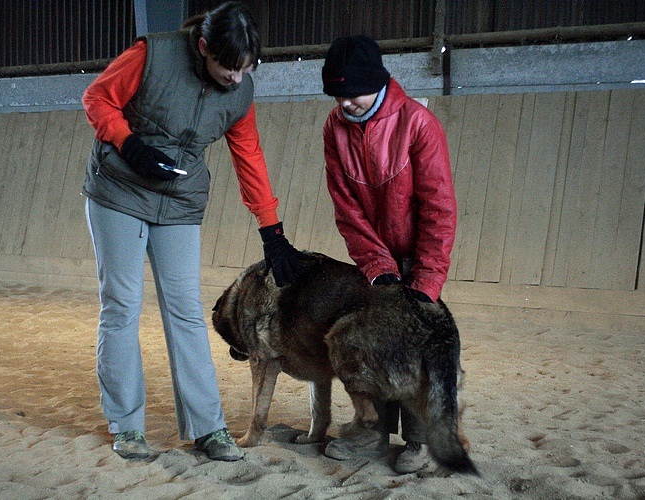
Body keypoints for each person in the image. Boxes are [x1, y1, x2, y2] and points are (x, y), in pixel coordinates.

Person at [81, 1, 308, 462]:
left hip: (180, 202)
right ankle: (127, 426)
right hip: (118, 192)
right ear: (203, 48)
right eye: (229, 67)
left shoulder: (239, 93)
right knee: (122, 303)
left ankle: (208, 429)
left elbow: (249, 156)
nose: (237, 79)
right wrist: (129, 143)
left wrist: (272, 228)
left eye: (247, 69)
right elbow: (97, 99)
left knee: (185, 308)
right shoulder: (152, 56)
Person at [320, 34, 458, 474]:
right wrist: (377, 267)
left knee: (416, 345)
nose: (345, 103)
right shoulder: (334, 128)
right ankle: (372, 432)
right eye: (337, 94)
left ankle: (420, 441)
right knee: (371, 341)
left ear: (377, 82)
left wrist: (426, 280)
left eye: (353, 93)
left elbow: (439, 207)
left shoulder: (419, 124)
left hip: (419, 255)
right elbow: (347, 207)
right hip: (374, 258)